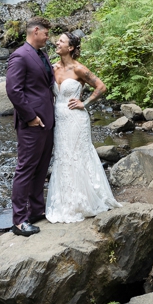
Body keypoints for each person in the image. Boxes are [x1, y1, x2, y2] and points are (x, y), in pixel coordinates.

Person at [43, 31, 120, 223]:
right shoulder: (52, 68)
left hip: (76, 119)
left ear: (70, 48)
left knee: (78, 155)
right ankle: (67, 201)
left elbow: (101, 86)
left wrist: (84, 103)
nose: (56, 42)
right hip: (59, 119)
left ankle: (85, 200)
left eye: (61, 41)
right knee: (63, 156)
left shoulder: (79, 69)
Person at [4, 17, 56, 236]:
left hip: (47, 120)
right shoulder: (19, 56)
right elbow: (13, 90)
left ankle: (36, 210)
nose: (48, 38)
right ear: (36, 31)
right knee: (25, 169)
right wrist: (31, 117)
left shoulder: (41, 54)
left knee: (41, 168)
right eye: (46, 33)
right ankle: (19, 221)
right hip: (32, 122)